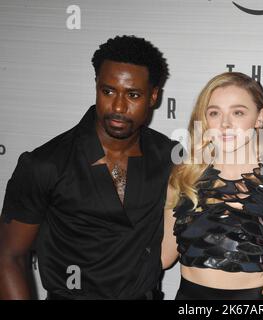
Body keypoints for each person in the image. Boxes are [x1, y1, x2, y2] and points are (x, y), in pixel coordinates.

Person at [0, 35, 176, 299]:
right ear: (96, 86)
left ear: (153, 96)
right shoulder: (45, 164)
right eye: (108, 91)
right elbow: (9, 257)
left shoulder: (170, 157)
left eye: (133, 95)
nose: (117, 106)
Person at [161, 72, 263, 300]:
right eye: (214, 113)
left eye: (238, 112)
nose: (224, 124)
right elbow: (163, 257)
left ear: (260, 117)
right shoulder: (184, 179)